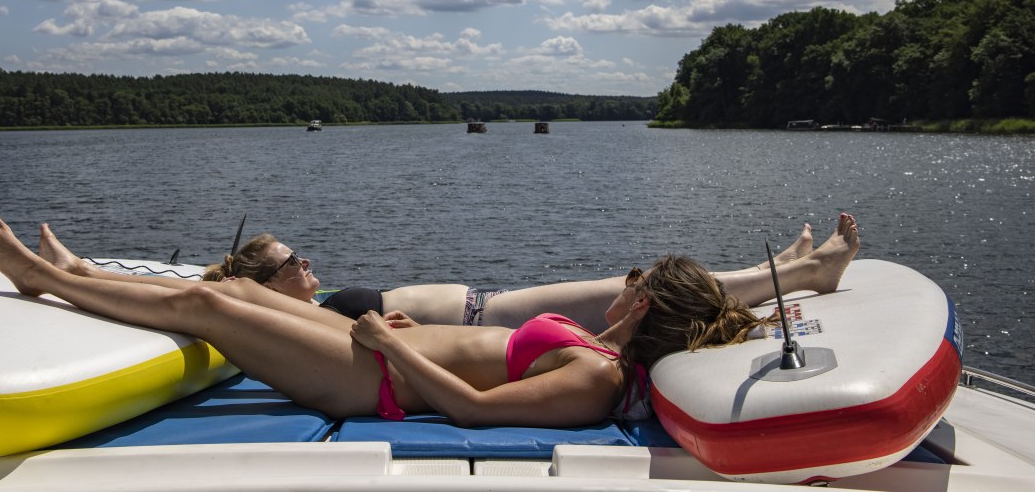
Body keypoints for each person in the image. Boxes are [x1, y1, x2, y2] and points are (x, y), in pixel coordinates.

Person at [0, 211, 860, 428]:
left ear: (647, 305)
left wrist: (382, 350)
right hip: (386, 350)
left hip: (375, 381)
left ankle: (44, 282)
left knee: (209, 305)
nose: (623, 281)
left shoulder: (596, 375)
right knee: (239, 293)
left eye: (636, 280)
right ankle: (82, 271)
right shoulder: (594, 346)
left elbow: (472, 411)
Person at [195, 223, 819, 330]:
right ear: (265, 283)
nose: (306, 263)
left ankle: (784, 267)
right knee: (649, 287)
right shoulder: (305, 315)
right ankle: (798, 272)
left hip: (490, 304)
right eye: (291, 262)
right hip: (493, 318)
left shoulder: (320, 302)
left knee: (646, 283)